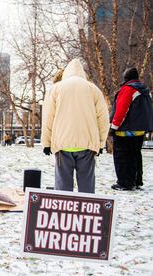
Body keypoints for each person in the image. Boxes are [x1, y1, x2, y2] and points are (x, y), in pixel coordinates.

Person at [42, 59, 110, 194]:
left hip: (62, 144)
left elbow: (48, 117)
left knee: (63, 185)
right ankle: (86, 210)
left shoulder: (56, 89)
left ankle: (63, 210)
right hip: (87, 144)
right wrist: (101, 143)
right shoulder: (93, 89)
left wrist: (46, 143)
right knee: (86, 184)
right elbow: (103, 119)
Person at [109, 67, 153, 191]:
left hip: (125, 130)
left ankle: (125, 183)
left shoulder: (128, 89)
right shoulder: (145, 90)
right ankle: (136, 180)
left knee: (122, 157)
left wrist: (113, 127)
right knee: (135, 156)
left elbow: (121, 110)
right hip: (139, 130)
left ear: (126, 77)